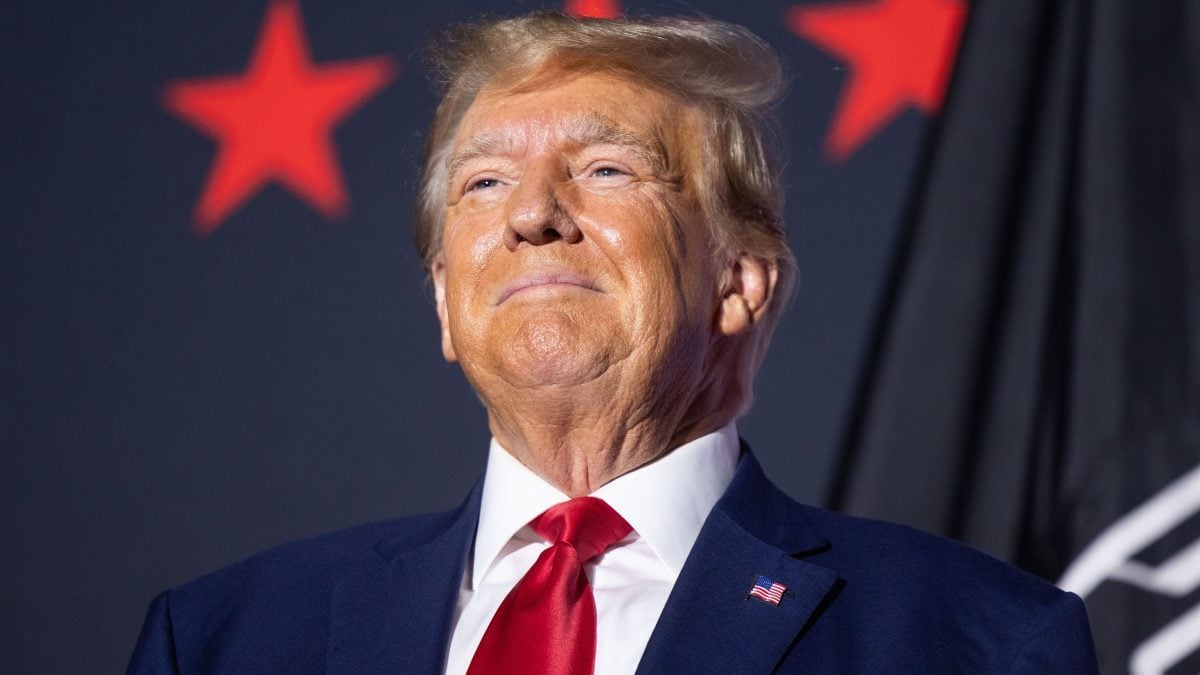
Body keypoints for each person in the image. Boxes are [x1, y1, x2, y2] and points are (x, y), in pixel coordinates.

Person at [128, 12, 1098, 673]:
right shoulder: (226, 638)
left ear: (738, 282)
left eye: (604, 166)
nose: (534, 215)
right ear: (442, 303)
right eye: (484, 184)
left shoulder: (978, 641)